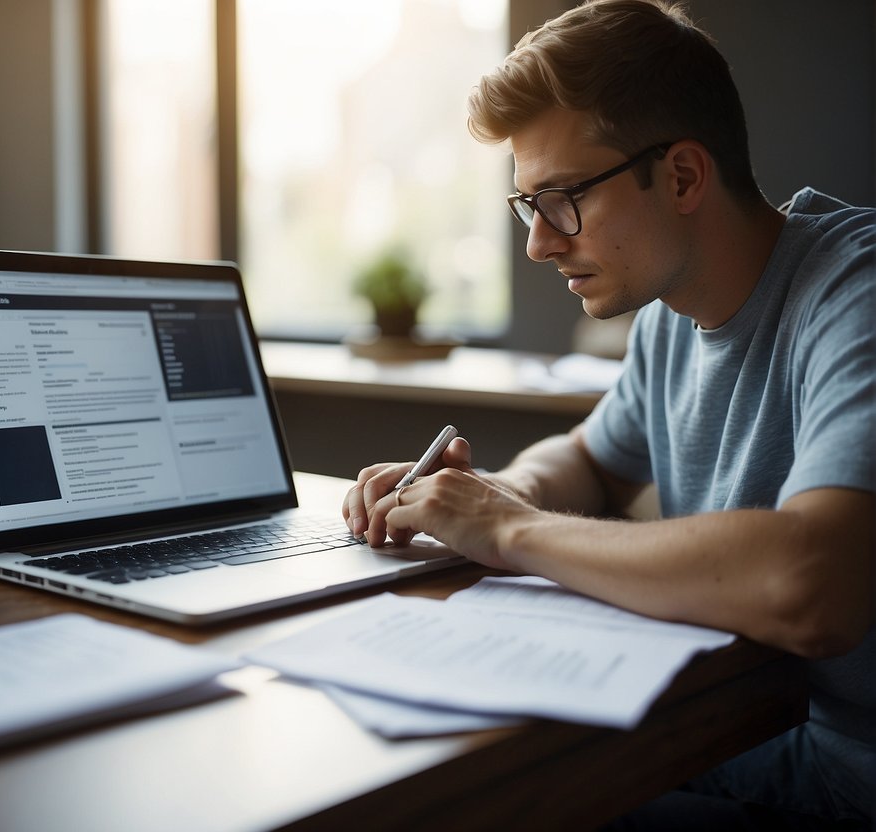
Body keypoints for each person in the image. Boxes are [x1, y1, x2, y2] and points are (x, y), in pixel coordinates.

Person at [343, 1, 874, 828]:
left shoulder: (855, 292)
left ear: (683, 176)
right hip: (740, 735)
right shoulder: (667, 315)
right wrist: (488, 493)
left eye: (562, 199)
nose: (538, 244)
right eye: (528, 206)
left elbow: (811, 585)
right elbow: (590, 460)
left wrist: (509, 532)